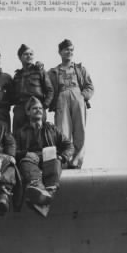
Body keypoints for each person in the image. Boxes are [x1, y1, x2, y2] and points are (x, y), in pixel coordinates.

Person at [15, 96, 74, 216]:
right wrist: (25, 154)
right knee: (25, 162)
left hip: (49, 161)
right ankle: (37, 189)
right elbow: (12, 151)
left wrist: (63, 157)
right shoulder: (20, 132)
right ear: (28, 112)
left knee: (55, 160)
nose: (38, 111)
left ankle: (45, 198)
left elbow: (69, 146)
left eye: (41, 108)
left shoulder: (52, 129)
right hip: (30, 161)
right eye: (34, 108)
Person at [48, 39, 94, 169]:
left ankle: (76, 162)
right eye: (66, 49)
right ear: (60, 52)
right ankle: (64, 160)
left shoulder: (80, 69)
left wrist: (82, 96)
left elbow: (89, 86)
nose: (69, 52)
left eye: (71, 50)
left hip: (78, 98)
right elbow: (46, 86)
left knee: (80, 131)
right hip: (61, 99)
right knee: (62, 131)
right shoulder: (53, 72)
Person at [12, 44, 54, 134]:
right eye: (26, 54)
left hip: (36, 107)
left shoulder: (40, 71)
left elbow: (50, 91)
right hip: (21, 109)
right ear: (20, 57)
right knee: (18, 136)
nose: (29, 56)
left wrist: (44, 106)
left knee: (39, 136)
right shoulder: (17, 75)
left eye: (31, 54)